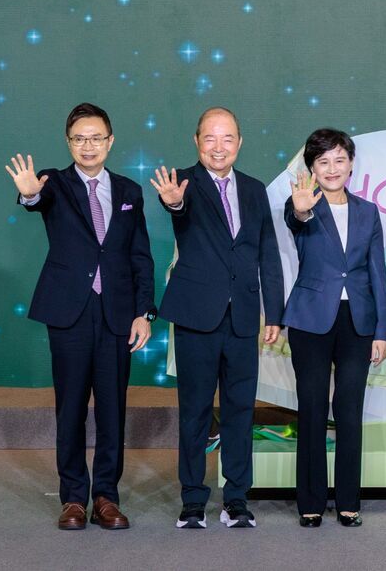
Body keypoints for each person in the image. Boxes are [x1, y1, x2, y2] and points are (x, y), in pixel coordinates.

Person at [4, 102, 155, 531]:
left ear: (110, 141)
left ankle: (106, 496)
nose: (88, 146)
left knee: (112, 409)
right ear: (68, 143)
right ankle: (73, 497)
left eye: (96, 138)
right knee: (70, 408)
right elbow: (35, 200)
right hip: (70, 312)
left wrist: (144, 313)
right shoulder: (54, 183)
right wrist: (29, 193)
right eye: (79, 139)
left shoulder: (129, 191)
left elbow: (140, 256)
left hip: (117, 315)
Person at [149, 107, 283, 529]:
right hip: (196, 316)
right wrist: (173, 202)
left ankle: (237, 500)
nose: (219, 147)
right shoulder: (182, 184)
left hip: (243, 317)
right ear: (197, 141)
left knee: (241, 411)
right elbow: (177, 207)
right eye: (210, 138)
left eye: (227, 138)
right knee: (194, 411)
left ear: (239, 143)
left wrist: (274, 313)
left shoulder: (255, 189)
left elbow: (267, 254)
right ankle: (192, 500)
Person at [281, 129, 386, 527]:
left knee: (349, 410)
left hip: (357, 321)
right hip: (310, 320)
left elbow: (377, 272)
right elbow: (296, 220)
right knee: (311, 408)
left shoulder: (368, 211)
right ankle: (310, 502)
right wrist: (302, 211)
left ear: (351, 164)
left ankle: (348, 501)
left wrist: (383, 331)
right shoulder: (302, 203)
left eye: (339, 160)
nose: (332, 169)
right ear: (312, 168)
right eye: (323, 162)